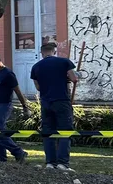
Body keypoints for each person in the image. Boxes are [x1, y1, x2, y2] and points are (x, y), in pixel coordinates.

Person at [30, 42, 79, 171]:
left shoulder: (36, 67)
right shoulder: (64, 62)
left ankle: (50, 163)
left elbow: (38, 87)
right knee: (65, 131)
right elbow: (74, 79)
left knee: (48, 132)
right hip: (61, 100)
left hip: (46, 102)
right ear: (54, 51)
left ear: (42, 53)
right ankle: (63, 163)